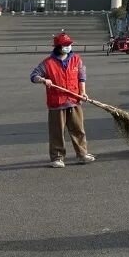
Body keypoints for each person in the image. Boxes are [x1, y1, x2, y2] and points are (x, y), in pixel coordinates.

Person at [30, 32, 95, 167]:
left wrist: (83, 92)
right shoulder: (48, 63)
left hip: (74, 100)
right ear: (58, 47)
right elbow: (33, 76)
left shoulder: (76, 59)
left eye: (69, 44)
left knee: (78, 130)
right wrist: (43, 80)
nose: (68, 47)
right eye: (65, 45)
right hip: (57, 103)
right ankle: (57, 158)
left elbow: (81, 77)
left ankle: (82, 154)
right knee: (57, 132)